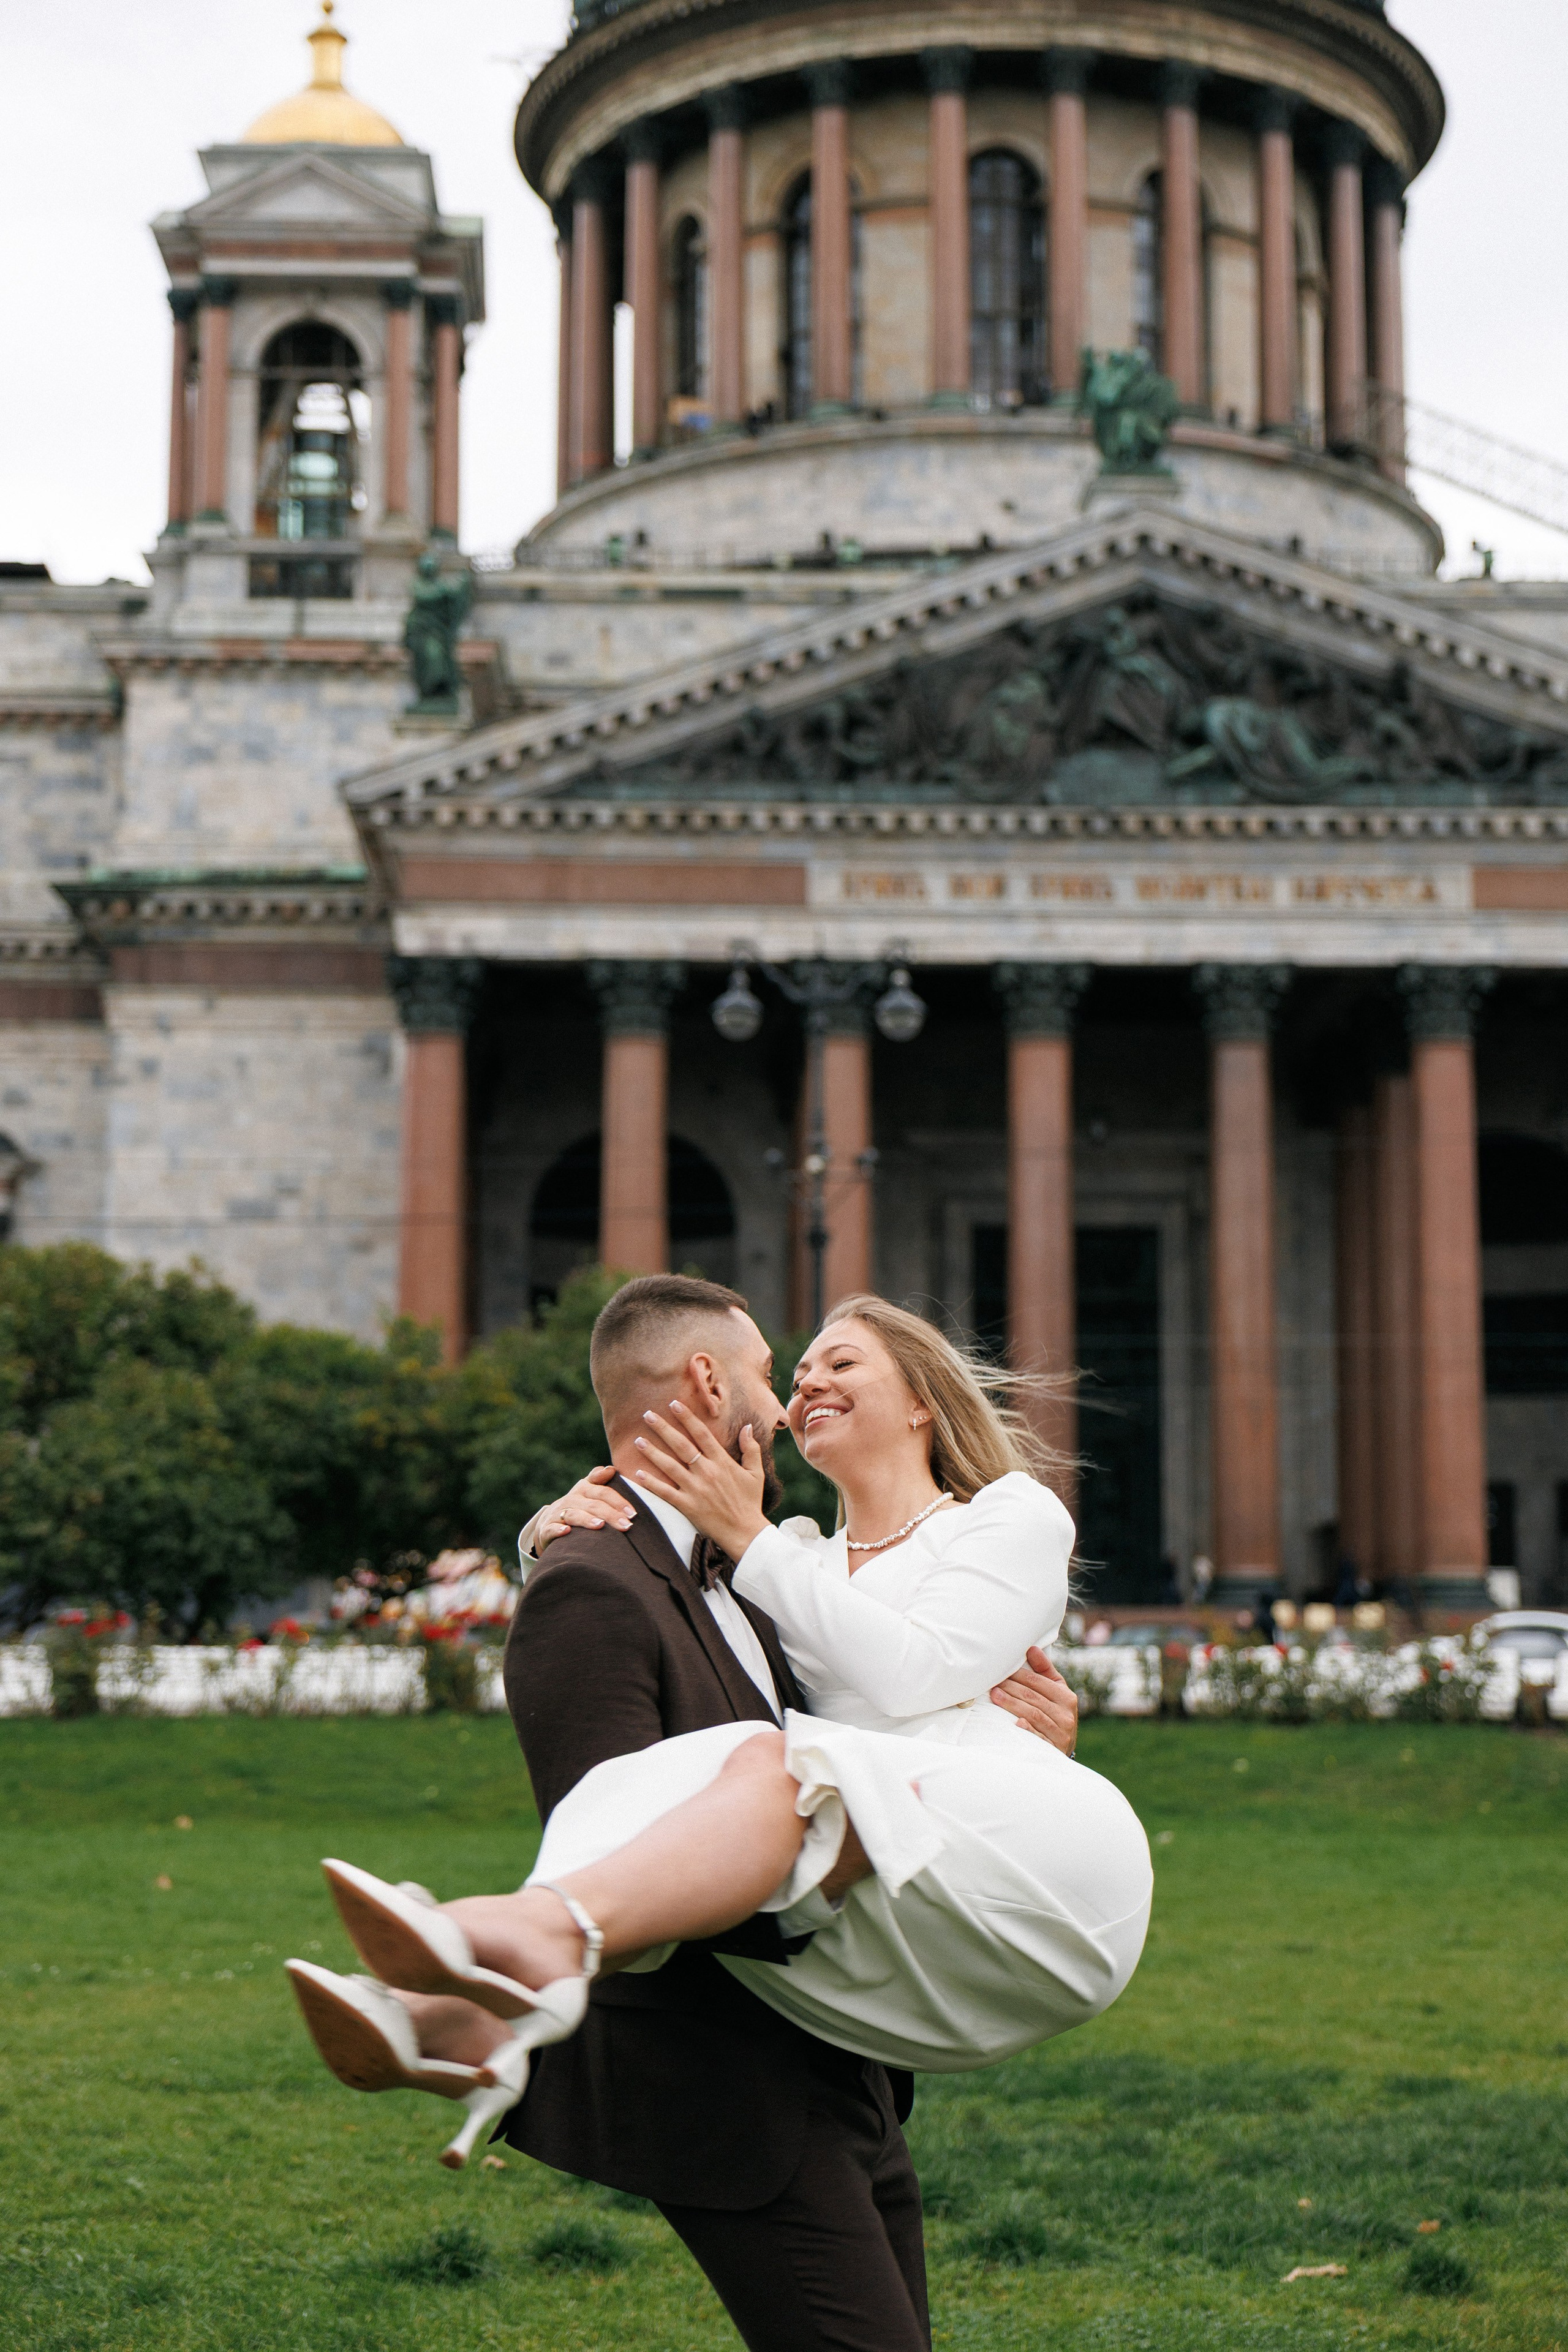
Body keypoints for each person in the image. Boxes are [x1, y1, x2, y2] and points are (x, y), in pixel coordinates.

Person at [288, 1275, 1082, 2352]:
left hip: (846, 2059)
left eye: (828, 1367)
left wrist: (1004, 1766)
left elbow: (892, 1692)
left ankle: (455, 2017)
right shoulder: (613, 1584)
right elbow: (620, 1849)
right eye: (776, 1370)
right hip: (731, 2085)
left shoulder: (770, 1565)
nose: (794, 1391)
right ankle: (465, 2004)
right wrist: (556, 1549)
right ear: (710, 1380)